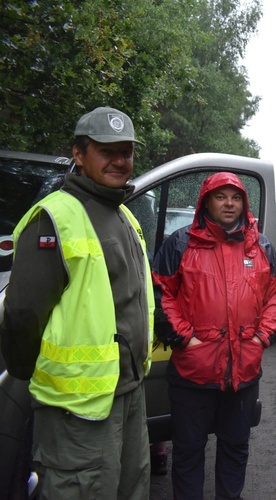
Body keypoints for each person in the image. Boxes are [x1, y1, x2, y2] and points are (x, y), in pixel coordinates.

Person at [0, 107, 154, 498]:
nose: (120, 161)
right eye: (107, 151)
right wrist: (37, 385)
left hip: (128, 395)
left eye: (126, 152)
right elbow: (21, 318)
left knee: (130, 487)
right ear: (79, 154)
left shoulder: (123, 216)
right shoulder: (55, 217)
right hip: (76, 410)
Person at [151, 172, 276, 499]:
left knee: (235, 447)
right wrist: (186, 339)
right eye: (221, 197)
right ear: (206, 202)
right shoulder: (181, 243)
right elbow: (160, 294)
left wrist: (260, 337)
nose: (229, 204)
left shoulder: (261, 245)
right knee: (188, 451)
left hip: (243, 370)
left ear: (244, 203)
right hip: (193, 371)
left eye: (236, 197)